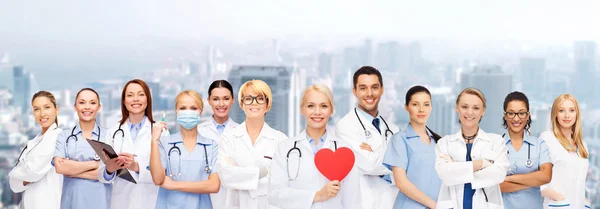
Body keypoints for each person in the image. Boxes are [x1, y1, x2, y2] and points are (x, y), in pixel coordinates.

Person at [268, 84, 362, 209]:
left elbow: (353, 202)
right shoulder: (285, 149)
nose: (317, 112)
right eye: (311, 106)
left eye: (323, 106)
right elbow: (275, 194)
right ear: (302, 109)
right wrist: (317, 195)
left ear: (331, 110)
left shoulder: (344, 150)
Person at [334, 66, 400, 209]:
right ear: (355, 91)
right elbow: (369, 164)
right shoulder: (345, 126)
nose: (369, 93)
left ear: (382, 90)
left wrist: (376, 155)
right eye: (363, 88)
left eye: (374, 87)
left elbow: (406, 170)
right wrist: (396, 161)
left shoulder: (393, 129)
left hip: (392, 203)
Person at [217, 79, 288, 209]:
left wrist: (240, 173)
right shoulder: (229, 138)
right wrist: (263, 172)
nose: (254, 103)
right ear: (242, 104)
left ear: (268, 104)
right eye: (248, 98)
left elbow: (283, 180)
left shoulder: (280, 139)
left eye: (260, 99)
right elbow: (226, 176)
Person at [435, 87, 509, 209]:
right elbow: (445, 175)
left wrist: (455, 168)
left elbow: (499, 174)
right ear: (457, 108)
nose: (469, 112)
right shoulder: (444, 143)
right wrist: (482, 163)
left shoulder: (496, 142)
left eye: (476, 108)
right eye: (464, 107)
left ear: (483, 111)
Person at [98, 79, 165, 209]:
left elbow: (164, 173)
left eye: (140, 94)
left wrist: (136, 166)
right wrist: (109, 169)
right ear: (124, 101)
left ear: (147, 99)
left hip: (150, 201)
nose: (135, 99)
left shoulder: (160, 131)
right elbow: (102, 176)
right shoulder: (113, 132)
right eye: (130, 95)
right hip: (121, 202)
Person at [150, 90, 220, 208]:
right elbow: (158, 179)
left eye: (193, 108)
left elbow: (214, 185)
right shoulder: (164, 143)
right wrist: (154, 140)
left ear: (200, 111)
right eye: (183, 108)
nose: (188, 112)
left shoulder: (211, 146)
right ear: (176, 112)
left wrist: (173, 185)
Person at [53, 88, 116, 209]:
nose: (87, 107)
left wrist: (72, 170)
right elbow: (60, 167)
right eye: (82, 103)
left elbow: (111, 174)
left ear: (99, 107)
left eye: (92, 103)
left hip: (100, 203)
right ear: (75, 107)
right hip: (72, 202)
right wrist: (96, 164)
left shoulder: (109, 136)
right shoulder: (64, 136)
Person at [382, 85, 442, 209]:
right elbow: (401, 182)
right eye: (415, 104)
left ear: (431, 107)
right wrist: (434, 205)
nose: (421, 109)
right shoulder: (400, 140)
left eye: (426, 104)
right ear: (406, 107)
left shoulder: (439, 142)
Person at [9, 91, 64, 209]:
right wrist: (20, 177)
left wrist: (14, 173)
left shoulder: (57, 138)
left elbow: (32, 172)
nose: (42, 114)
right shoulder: (34, 142)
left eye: (47, 107)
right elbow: (14, 185)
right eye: (36, 109)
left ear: (56, 109)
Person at [499, 91, 552, 209]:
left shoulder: (539, 144)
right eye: (511, 113)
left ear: (528, 115)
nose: (516, 118)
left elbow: (546, 177)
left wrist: (508, 179)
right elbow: (495, 186)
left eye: (521, 113)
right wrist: (534, 180)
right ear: (505, 116)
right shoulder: (495, 145)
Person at [538, 94, 590, 209]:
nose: (567, 115)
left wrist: (585, 201)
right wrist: (559, 198)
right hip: (559, 206)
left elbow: (580, 181)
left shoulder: (583, 145)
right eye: (561, 110)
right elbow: (538, 180)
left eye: (571, 110)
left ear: (577, 114)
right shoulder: (547, 138)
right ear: (555, 114)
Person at [198, 80, 240, 209]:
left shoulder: (241, 132)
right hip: (204, 198)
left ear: (233, 100)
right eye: (216, 99)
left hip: (233, 198)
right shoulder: (198, 131)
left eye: (226, 99)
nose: (221, 104)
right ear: (209, 101)